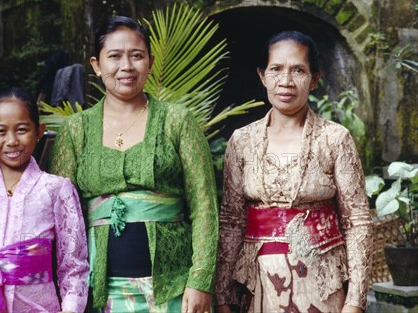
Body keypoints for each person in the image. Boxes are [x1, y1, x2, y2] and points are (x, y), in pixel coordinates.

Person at [49, 16, 219, 313]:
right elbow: (62, 220)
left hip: (175, 288)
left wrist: (200, 280)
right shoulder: (75, 130)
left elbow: (204, 205)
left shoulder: (177, 121)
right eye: (114, 56)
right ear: (96, 65)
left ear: (150, 62)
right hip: (100, 292)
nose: (126, 66)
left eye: (136, 56)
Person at [214, 31, 373, 313]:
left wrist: (354, 302)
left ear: (314, 79)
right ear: (262, 76)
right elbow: (231, 221)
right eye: (276, 69)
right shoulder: (242, 141)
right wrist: (223, 296)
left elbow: (357, 221)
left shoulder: (335, 139)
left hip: (323, 286)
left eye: (298, 70)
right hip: (260, 283)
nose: (285, 81)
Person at [0, 87, 89, 313]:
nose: (12, 141)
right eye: (1, 131)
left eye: (22, 130)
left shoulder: (56, 189)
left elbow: (73, 265)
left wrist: (71, 309)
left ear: (39, 131)